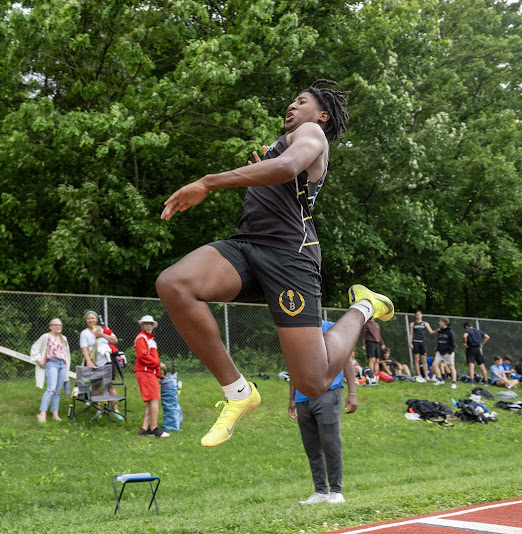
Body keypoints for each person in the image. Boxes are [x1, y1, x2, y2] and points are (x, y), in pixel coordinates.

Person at [156, 79, 394, 447]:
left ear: (322, 115)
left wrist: (208, 182)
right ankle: (238, 393)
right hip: (248, 246)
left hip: (289, 257)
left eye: (302, 101)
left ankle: (364, 306)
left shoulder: (312, 133)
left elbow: (288, 167)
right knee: (175, 283)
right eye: (292, 101)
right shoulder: (281, 147)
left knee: (312, 382)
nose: (292, 106)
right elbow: (282, 172)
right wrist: (266, 171)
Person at [289, 320, 356, 505]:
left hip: (328, 392)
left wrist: (352, 393)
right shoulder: (294, 331)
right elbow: (294, 367)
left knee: (330, 443)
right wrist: (292, 399)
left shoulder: (333, 328)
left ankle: (336, 491)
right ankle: (320, 491)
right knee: (311, 447)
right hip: (303, 398)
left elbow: (346, 361)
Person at [80, 310, 123, 418]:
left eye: (93, 318)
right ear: (86, 320)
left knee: (110, 384)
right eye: (89, 318)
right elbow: (84, 349)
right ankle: (98, 410)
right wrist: (88, 361)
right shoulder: (84, 333)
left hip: (107, 360)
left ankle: (115, 410)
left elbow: (115, 340)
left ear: (96, 319)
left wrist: (102, 334)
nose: (91, 320)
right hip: (94, 362)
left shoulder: (104, 329)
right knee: (96, 385)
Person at [134, 315, 170, 438]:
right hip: (145, 372)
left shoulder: (150, 338)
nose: (149, 326)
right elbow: (143, 356)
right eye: (146, 323)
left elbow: (152, 358)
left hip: (149, 372)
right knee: (154, 398)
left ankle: (144, 429)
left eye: (151, 324)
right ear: (142, 325)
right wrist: (159, 364)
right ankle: (154, 428)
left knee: (151, 399)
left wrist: (158, 374)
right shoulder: (141, 338)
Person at [31, 318, 72, 423]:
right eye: (55, 325)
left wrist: (66, 365)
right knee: (51, 389)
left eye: (60, 325)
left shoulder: (64, 338)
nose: (58, 327)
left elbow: (66, 353)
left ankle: (55, 414)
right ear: (51, 327)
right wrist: (39, 360)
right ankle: (42, 413)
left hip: (62, 364)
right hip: (51, 364)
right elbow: (35, 348)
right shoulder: (46, 337)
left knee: (57, 390)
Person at [408, 310, 437, 382]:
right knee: (416, 359)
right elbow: (411, 334)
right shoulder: (412, 324)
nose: (418, 316)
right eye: (417, 314)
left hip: (422, 342)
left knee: (424, 360)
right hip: (415, 342)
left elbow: (431, 332)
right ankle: (419, 375)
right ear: (415, 316)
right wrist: (410, 343)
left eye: (419, 314)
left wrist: (438, 330)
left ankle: (426, 376)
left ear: (422, 315)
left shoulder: (425, 323)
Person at [430, 317, 457, 389]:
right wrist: (438, 350)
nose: (439, 323)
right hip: (440, 352)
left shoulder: (450, 332)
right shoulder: (440, 331)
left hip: (448, 352)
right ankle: (440, 380)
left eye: (440, 322)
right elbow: (439, 341)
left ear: (444, 323)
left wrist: (449, 351)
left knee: (451, 367)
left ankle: (454, 383)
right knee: (435, 364)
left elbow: (453, 343)